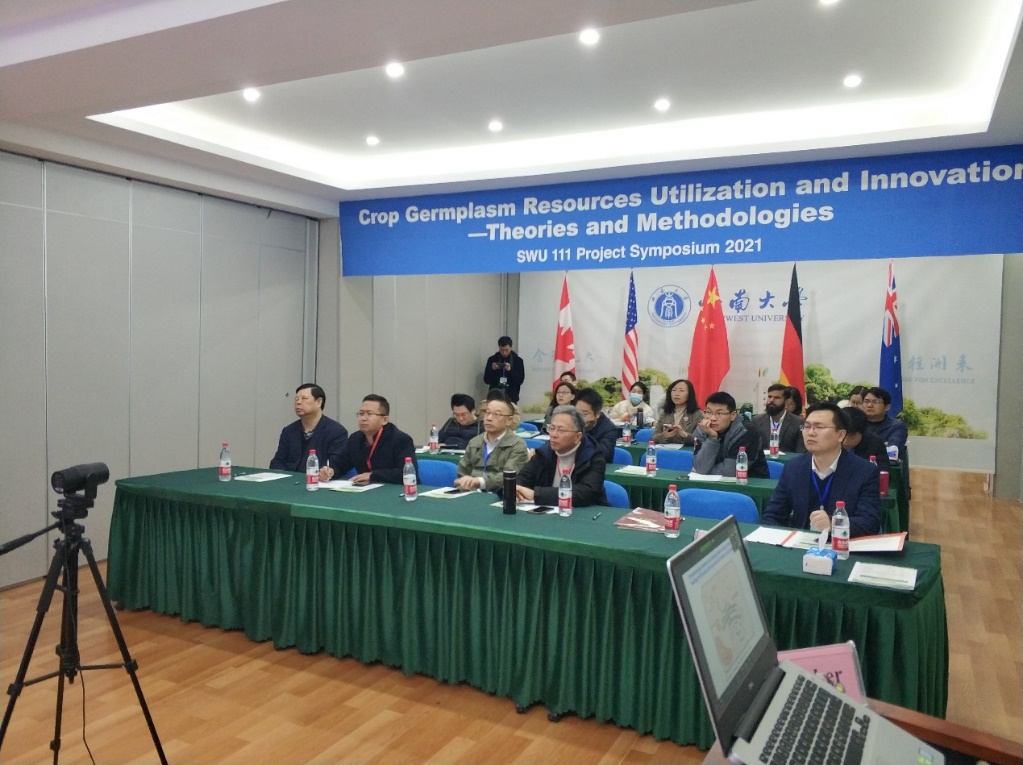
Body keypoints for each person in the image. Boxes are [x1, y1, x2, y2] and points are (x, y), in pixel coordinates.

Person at [762, 402, 881, 537]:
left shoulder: (865, 471)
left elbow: (870, 522)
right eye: (807, 426)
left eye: (819, 427)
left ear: (840, 435)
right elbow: (773, 515)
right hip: (800, 543)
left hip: (842, 544)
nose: (811, 433)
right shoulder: (794, 467)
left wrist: (833, 523)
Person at [516, 405, 608, 507]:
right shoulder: (544, 453)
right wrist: (516, 489)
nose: (554, 434)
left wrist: (535, 495)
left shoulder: (593, 457)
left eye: (561, 430)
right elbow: (522, 478)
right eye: (552, 428)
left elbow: (585, 493)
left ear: (577, 437)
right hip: (548, 511)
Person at [321, 394, 417, 485]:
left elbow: (406, 473)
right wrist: (330, 471)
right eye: (361, 413)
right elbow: (340, 463)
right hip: (366, 490)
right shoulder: (355, 439)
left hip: (398, 491)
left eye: (369, 414)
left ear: (384, 420)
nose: (363, 418)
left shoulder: (401, 440)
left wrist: (373, 476)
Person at [270, 383, 349, 475]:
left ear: (319, 402)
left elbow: (337, 465)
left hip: (318, 481)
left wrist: (326, 473)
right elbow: (277, 462)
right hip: (290, 480)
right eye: (296, 399)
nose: (298, 402)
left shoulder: (336, 431)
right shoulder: (289, 431)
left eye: (304, 398)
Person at [455, 396, 529, 491]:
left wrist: (480, 481)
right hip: (470, 493)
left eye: (496, 414)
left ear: (509, 420)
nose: (489, 418)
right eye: (487, 413)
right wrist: (463, 482)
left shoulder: (517, 445)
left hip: (499, 494)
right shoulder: (474, 442)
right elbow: (462, 472)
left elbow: (508, 476)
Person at [692, 391, 769, 478]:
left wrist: (704, 472)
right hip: (710, 482)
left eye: (719, 413)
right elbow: (700, 468)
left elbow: (730, 472)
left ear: (733, 415)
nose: (712, 418)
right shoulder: (703, 428)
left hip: (750, 482)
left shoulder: (745, 430)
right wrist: (712, 438)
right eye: (709, 412)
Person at [752, 383, 805, 454]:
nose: (771, 400)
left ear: (786, 402)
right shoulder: (756, 421)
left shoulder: (798, 422)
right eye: (770, 396)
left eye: (777, 398)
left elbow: (801, 452)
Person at [573, 387, 618, 463]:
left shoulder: (609, 429)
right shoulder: (571, 423)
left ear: (597, 414)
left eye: (584, 414)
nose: (579, 418)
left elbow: (601, 454)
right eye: (577, 413)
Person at [652, 378, 703, 446]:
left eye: (681, 391)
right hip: (666, 450)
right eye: (674, 390)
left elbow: (701, 440)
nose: (677, 394)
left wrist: (685, 435)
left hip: (687, 451)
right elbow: (653, 438)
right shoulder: (665, 413)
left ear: (689, 394)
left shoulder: (697, 414)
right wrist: (664, 436)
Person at [841, 406, 891, 471]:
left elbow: (883, 472)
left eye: (852, 437)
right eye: (842, 436)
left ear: (862, 433)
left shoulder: (875, 444)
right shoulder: (829, 441)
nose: (845, 441)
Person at [861, 386, 908, 451]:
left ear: (887, 407)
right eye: (866, 401)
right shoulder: (855, 423)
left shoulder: (896, 426)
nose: (870, 405)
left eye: (875, 402)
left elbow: (892, 450)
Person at [483, 336, 525, 403]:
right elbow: (486, 380)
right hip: (495, 396)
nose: (504, 352)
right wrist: (492, 370)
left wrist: (510, 370)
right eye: (502, 350)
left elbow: (520, 380)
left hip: (511, 396)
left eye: (506, 350)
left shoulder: (518, 361)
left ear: (511, 347)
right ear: (499, 347)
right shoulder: (492, 359)